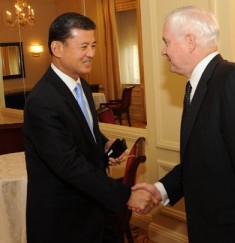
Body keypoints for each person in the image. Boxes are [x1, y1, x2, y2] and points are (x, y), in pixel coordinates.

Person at [131, 6, 235, 243]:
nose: (163, 51)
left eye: (166, 42)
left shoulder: (234, 82)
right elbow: (202, 161)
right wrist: (161, 190)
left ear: (190, 41)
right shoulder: (197, 86)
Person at [23, 12, 157, 243]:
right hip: (63, 220)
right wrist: (125, 196)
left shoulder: (82, 86)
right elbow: (68, 164)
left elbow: (84, 130)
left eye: (93, 45)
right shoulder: (41, 101)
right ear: (57, 48)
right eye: (84, 46)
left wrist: (102, 143)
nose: (92, 54)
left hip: (94, 208)